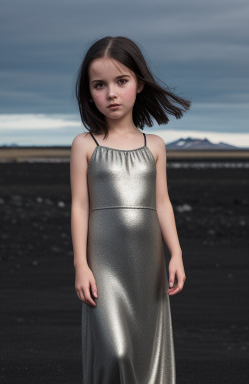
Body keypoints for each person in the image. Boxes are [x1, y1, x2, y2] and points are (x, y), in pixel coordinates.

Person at [70, 36, 190, 384]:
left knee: (144, 352)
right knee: (116, 352)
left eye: (121, 81)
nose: (111, 93)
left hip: (147, 263)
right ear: (88, 92)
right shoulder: (84, 144)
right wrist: (81, 264)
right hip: (104, 263)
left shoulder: (155, 145)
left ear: (138, 83)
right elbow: (80, 206)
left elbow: (162, 202)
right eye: (99, 85)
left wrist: (177, 253)